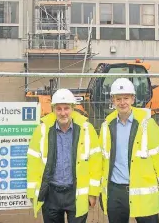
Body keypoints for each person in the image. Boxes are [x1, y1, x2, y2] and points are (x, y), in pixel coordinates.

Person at [99, 78, 159, 223]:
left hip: (143, 193)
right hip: (115, 192)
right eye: (118, 98)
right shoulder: (106, 126)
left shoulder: (147, 124)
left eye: (126, 98)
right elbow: (102, 161)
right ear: (113, 101)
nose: (122, 102)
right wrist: (103, 192)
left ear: (133, 99)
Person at [27, 89, 102, 223]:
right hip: (51, 193)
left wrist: (93, 192)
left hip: (76, 193)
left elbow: (95, 163)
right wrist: (33, 192)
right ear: (53, 109)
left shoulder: (86, 129)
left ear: (73, 108)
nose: (63, 113)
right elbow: (33, 162)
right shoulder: (42, 130)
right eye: (59, 109)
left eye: (66, 108)